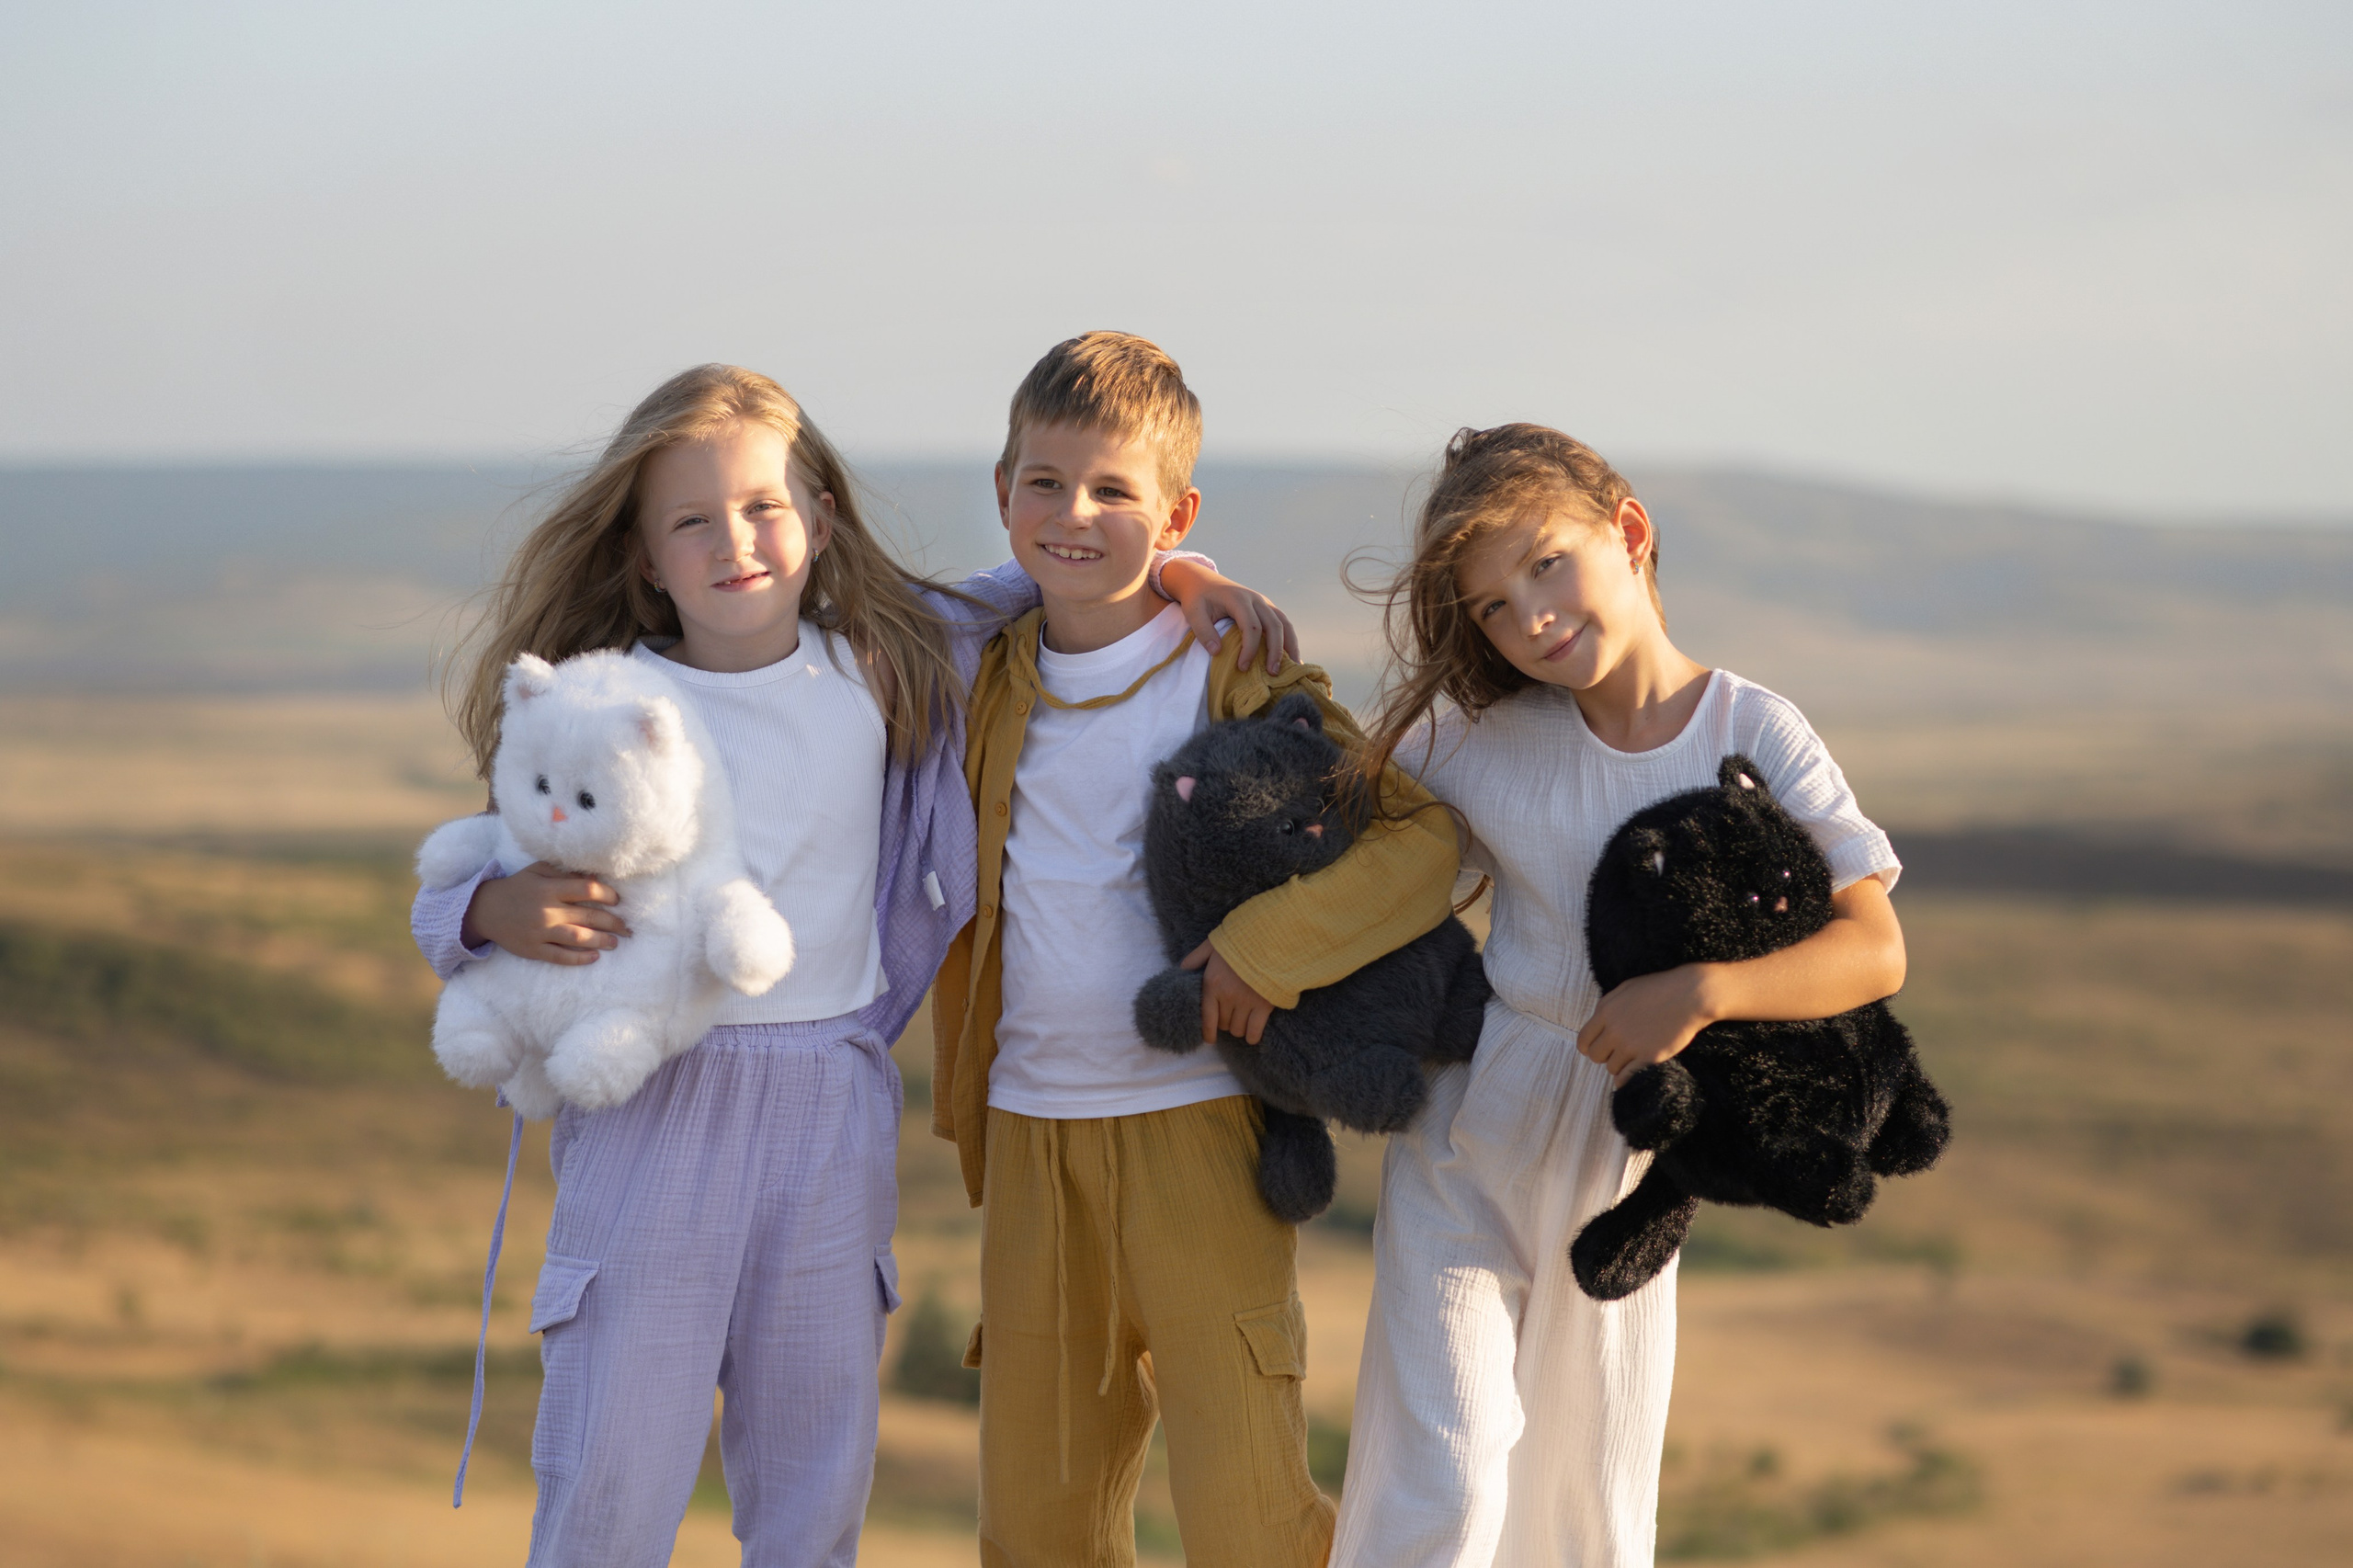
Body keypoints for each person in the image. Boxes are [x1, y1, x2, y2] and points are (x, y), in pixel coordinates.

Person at [406, 362, 1286, 1568]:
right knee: (614, 1474)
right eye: (693, 520)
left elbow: (1057, 569)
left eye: (766, 507)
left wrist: (1193, 572)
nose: (737, 543)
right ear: (645, 553)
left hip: (830, 1100)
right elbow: (477, 859)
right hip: (655, 1108)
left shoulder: (890, 658)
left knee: (815, 1482)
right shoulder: (607, 696)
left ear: (819, 517)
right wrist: (484, 909)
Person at [1329, 424, 1908, 1567]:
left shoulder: (1750, 729)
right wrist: (1197, 595)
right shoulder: (1479, 740)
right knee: (1441, 1469)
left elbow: (1874, 946)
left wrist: (1697, 992)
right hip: (1470, 1132)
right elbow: (1334, 824)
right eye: (1491, 606)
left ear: (1629, 532)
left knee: (1588, 1493)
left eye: (1544, 565)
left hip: (1628, 1152)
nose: (1528, 617)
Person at [931, 332, 1463, 1568]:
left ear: (1178, 510)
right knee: (1036, 1523)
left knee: (1248, 1514)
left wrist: (1264, 952)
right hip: (1028, 1138)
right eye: (1044, 483)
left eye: (1117, 490)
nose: (1074, 514)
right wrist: (1175, 570)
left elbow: (1420, 837)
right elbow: (903, 606)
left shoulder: (1238, 671)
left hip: (1199, 1128)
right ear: (1003, 488)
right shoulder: (977, 672)